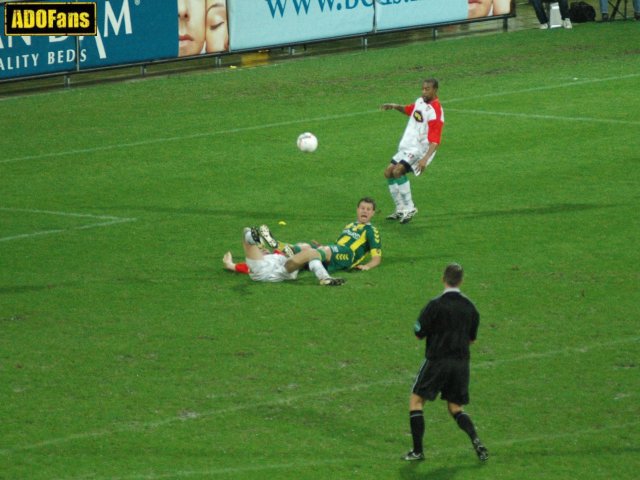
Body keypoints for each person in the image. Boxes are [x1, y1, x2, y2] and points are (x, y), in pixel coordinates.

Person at [403, 263, 488, 462]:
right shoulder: (471, 307)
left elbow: (418, 332)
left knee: (416, 401)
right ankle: (476, 440)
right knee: (455, 407)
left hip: (438, 360)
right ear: (461, 281)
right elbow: (472, 339)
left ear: (443, 279)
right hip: (461, 363)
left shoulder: (435, 305)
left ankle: (417, 451)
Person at [223, 197, 382, 276]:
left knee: (318, 250)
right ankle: (281, 247)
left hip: (348, 256)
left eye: (368, 209)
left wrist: (368, 266)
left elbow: (377, 256)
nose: (365, 211)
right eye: (362, 208)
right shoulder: (350, 226)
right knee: (306, 246)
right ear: (357, 209)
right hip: (335, 252)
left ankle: (280, 247)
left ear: (373, 213)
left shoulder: (371, 230)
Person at [382, 79, 444, 224]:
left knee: (398, 171)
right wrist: (394, 106)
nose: (424, 92)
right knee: (388, 172)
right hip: (407, 145)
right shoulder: (420, 102)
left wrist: (425, 159)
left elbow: (435, 140)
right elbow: (409, 110)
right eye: (422, 89)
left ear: (435, 90)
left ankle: (410, 208)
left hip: (420, 149)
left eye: (427, 89)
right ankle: (400, 209)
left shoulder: (436, 111)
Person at [230, 225, 345, 286]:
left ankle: (259, 241)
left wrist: (230, 264)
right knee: (247, 231)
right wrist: (230, 264)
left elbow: (241, 267)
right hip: (267, 271)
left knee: (306, 249)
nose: (264, 251)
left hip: (282, 267)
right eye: (262, 249)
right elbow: (240, 267)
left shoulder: (275, 255)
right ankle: (325, 277)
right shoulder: (264, 260)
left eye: (263, 248)